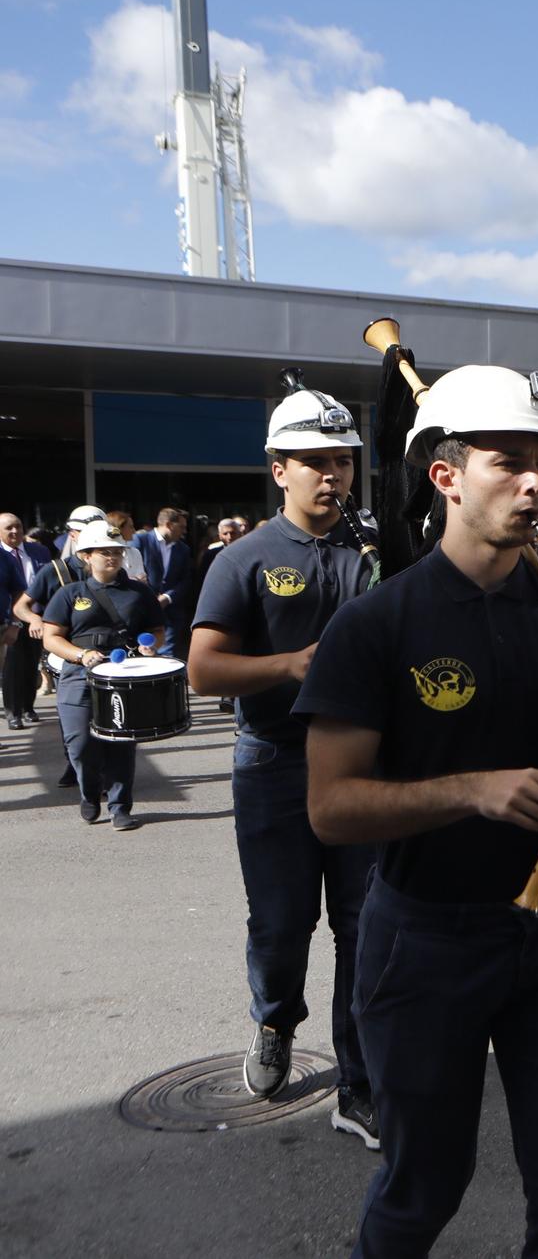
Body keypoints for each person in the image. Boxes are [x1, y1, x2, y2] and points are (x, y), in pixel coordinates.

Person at [297, 362, 538, 1255]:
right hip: (426, 939)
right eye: (509, 461)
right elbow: (329, 807)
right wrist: (474, 790)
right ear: (446, 475)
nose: (535, 482)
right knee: (422, 1189)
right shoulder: (378, 624)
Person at [187, 385, 381, 1140]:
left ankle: (359, 1081)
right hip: (273, 762)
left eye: (342, 460)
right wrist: (290, 665)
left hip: (363, 762)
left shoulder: (373, 552)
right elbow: (203, 669)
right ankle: (274, 1021)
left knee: (365, 925)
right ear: (279, 469)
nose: (332, 475)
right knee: (282, 923)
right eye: (314, 462)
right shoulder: (244, 558)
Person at [40, 518, 167, 831]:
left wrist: (150, 647)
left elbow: (157, 631)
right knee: (80, 745)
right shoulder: (70, 593)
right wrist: (81, 654)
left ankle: (120, 806)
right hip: (78, 674)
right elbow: (51, 637)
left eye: (117, 551)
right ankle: (89, 792)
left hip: (124, 675)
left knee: (121, 743)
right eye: (103, 551)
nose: (112, 556)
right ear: (86, 556)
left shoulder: (139, 592)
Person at [16, 507, 105, 787]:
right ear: (73, 535)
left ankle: (103, 773)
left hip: (105, 654)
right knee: (75, 720)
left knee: (107, 716)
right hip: (65, 654)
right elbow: (21, 605)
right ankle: (75, 763)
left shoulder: (114, 568)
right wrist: (35, 620)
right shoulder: (55, 570)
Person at [2, 512, 52, 729]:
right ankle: (13, 712)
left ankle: (28, 707)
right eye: (9, 528)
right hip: (10, 618)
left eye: (18, 526)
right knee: (13, 666)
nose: (15, 531)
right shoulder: (2, 556)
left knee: (32, 663)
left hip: (38, 617)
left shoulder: (39, 551)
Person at [132, 507, 195, 658]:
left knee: (168, 655)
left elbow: (186, 579)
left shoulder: (183, 549)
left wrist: (167, 597)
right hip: (144, 609)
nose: (184, 531)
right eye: (181, 527)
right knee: (144, 652)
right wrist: (149, 597)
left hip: (171, 612)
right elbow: (133, 571)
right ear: (168, 524)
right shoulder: (141, 541)